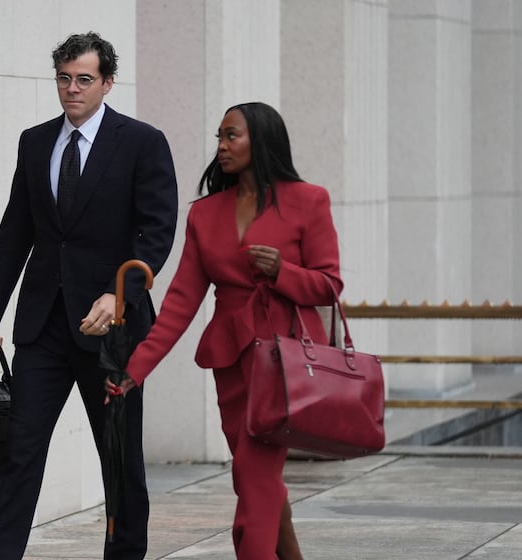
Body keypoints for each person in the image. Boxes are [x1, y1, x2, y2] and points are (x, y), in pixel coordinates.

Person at [0, 32, 179, 560]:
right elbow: (15, 230)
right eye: (64, 78)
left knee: (120, 461)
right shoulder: (35, 141)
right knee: (19, 455)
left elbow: (155, 233)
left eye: (84, 80)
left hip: (112, 334)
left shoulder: (142, 142)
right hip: (42, 328)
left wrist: (121, 296)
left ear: (108, 83)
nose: (72, 90)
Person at [106, 102, 343, 559]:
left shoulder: (308, 200)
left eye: (232, 136)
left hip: (286, 363)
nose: (221, 146)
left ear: (262, 140)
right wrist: (135, 369)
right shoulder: (206, 213)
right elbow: (179, 303)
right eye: (219, 136)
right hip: (232, 363)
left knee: (255, 481)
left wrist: (283, 272)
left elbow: (329, 285)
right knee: (254, 477)